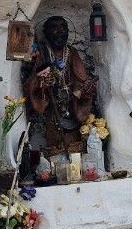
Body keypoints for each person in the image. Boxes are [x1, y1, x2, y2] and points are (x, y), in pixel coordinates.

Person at [25, 16, 96, 152]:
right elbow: (31, 83)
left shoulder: (71, 52)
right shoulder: (42, 54)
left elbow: (81, 78)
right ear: (46, 32)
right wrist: (42, 83)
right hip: (52, 110)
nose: (60, 31)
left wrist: (85, 88)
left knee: (75, 147)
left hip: (71, 106)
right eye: (55, 28)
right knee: (54, 147)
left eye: (63, 28)